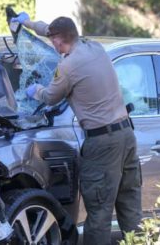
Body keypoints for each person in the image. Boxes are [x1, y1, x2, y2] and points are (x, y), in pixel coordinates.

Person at [11, 12, 142, 245]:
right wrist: (28, 23)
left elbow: (51, 98)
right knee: (130, 207)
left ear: (59, 40)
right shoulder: (95, 48)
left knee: (99, 214)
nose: (52, 44)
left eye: (53, 40)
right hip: (126, 136)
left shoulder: (68, 66)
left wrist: (35, 90)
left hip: (103, 144)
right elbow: (51, 30)